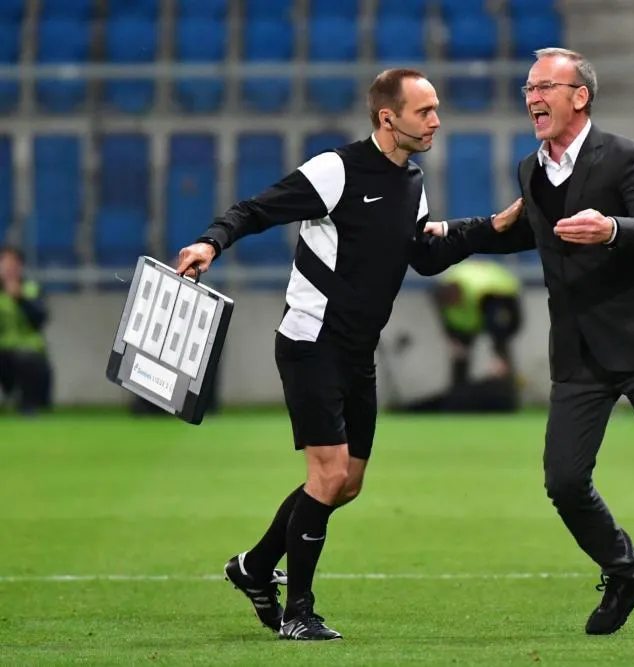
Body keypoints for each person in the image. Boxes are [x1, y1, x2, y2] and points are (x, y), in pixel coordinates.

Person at [174, 68, 515, 641]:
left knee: (347, 484)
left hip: (358, 352)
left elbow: (423, 257)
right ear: (388, 118)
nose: (436, 120)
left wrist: (492, 227)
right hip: (312, 343)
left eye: (435, 109)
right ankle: (298, 612)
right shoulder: (335, 169)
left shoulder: (412, 181)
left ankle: (254, 568)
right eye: (424, 111)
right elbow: (258, 208)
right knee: (328, 477)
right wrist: (211, 241)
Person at [427, 48, 634, 638]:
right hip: (578, 352)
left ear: (580, 96)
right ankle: (626, 571)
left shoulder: (626, 157)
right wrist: (456, 232)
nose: (531, 97)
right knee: (564, 483)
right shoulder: (530, 169)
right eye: (527, 87)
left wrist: (613, 230)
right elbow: (526, 230)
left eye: (544, 85)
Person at [400, 259, 523, 413]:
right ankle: (457, 400)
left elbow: (499, 327)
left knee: (501, 353)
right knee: (460, 357)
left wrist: (499, 356)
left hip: (502, 297)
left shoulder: (486, 291)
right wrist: (454, 343)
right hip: (471, 315)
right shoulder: (443, 296)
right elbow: (448, 322)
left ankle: (507, 399)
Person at [0, 245, 53, 415]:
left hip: (28, 350)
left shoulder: (31, 289)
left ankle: (29, 406)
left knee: (29, 360)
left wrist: (20, 299)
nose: (8, 268)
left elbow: (40, 319)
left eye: (12, 263)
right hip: (2, 351)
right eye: (4, 263)